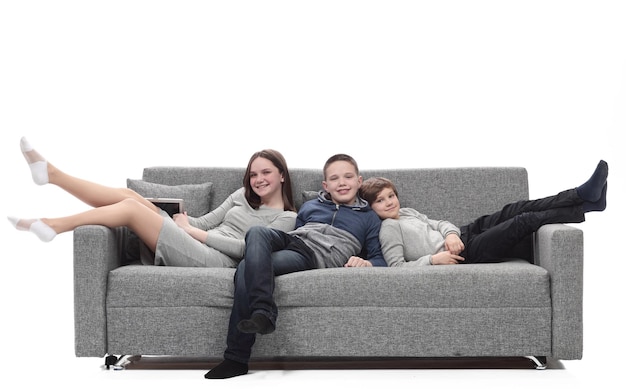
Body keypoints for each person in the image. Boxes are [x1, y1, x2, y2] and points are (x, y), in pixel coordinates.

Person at [205, 153, 386, 379]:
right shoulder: (311, 206)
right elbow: (294, 233)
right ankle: (263, 310)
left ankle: (236, 358)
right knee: (256, 231)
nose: (342, 183)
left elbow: (381, 258)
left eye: (348, 177)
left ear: (359, 182)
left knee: (244, 268)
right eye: (335, 178)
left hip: (316, 256)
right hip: (296, 240)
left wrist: (366, 261)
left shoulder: (370, 218)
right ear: (325, 185)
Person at [8, 137, 297, 268]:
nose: (258, 179)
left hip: (219, 261)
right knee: (131, 197)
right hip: (196, 241)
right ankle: (53, 175)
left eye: (266, 173)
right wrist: (184, 220)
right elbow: (206, 221)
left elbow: (249, 250)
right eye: (253, 174)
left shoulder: (287, 217)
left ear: (282, 175)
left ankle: (54, 225)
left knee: (132, 209)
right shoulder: (241, 195)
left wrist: (193, 233)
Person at [358, 160, 608, 266]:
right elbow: (397, 267)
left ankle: (580, 195)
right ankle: (585, 205)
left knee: (515, 208)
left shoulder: (406, 212)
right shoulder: (388, 228)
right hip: (468, 252)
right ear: (370, 208)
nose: (389, 202)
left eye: (391, 195)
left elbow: (441, 223)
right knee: (524, 221)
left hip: (464, 234)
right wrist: (433, 260)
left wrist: (451, 234)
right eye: (380, 201)